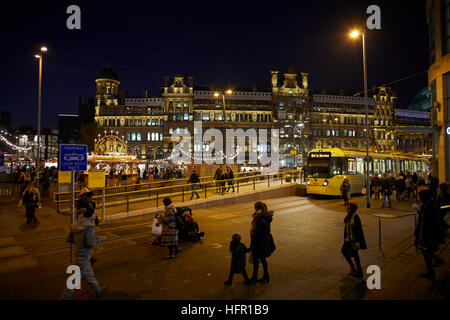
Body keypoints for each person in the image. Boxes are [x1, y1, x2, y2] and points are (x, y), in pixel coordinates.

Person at [61, 201, 107, 299]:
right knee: (73, 281)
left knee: (90, 275)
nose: (94, 220)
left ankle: (98, 290)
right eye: (94, 217)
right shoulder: (88, 228)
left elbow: (69, 239)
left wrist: (80, 239)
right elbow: (90, 243)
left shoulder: (77, 225)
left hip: (78, 255)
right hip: (84, 258)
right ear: (91, 217)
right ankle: (64, 298)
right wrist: (100, 239)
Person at [414, 189, 446, 281]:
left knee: (426, 252)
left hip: (429, 234)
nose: (419, 198)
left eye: (420, 196)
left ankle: (431, 270)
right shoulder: (428, 204)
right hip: (426, 234)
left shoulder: (430, 205)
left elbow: (431, 221)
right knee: (426, 252)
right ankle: (434, 263)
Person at [249, 202, 275, 284]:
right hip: (266, 241)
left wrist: (252, 243)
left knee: (256, 260)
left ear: (256, 208)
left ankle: (254, 278)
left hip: (259, 242)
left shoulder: (259, 218)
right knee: (263, 259)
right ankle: (266, 276)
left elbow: (257, 233)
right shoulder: (266, 216)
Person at [341, 203, 367, 278]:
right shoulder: (348, 216)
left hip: (353, 241)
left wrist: (357, 241)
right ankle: (353, 268)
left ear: (352, 209)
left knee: (355, 256)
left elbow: (359, 230)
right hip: (348, 240)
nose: (347, 209)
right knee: (344, 251)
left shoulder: (356, 217)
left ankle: (359, 272)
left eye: (348, 208)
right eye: (347, 208)